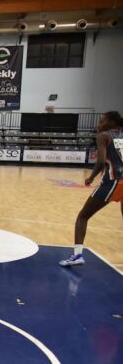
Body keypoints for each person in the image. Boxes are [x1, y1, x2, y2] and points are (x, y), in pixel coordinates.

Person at [60, 111, 123, 267]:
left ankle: (77, 255)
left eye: (102, 121)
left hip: (114, 181)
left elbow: (101, 161)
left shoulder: (103, 136)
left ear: (112, 123)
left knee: (83, 216)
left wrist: (91, 177)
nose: (99, 124)